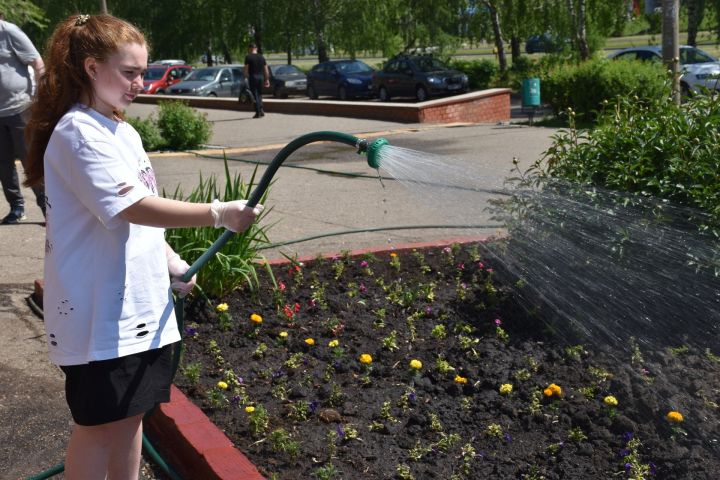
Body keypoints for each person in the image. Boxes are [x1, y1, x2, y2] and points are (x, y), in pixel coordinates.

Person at [23, 14, 263, 480]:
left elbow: (141, 225)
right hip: (99, 317)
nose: (140, 83)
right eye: (129, 72)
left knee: (132, 417)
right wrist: (218, 213)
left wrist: (172, 262)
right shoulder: (79, 134)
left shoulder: (123, 132)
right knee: (97, 427)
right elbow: (133, 206)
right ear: (92, 68)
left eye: (143, 72)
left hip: (137, 308)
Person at [0, 11, 46, 224]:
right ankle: (17, 207)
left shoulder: (9, 31)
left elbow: (37, 62)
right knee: (3, 164)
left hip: (20, 108)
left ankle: (48, 208)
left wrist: (40, 94)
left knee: (31, 161)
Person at [243, 42, 269, 118]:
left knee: (254, 95)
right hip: (261, 77)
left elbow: (246, 69)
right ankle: (261, 110)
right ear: (256, 49)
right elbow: (266, 69)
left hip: (253, 77)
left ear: (250, 49)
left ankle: (258, 112)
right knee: (260, 94)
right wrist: (267, 79)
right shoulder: (262, 57)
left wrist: (245, 78)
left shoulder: (248, 57)